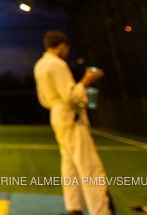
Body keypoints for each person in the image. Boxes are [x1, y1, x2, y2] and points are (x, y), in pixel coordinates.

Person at [33, 31, 112, 215]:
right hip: (70, 116)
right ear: (62, 46)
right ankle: (100, 211)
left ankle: (74, 207)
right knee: (89, 168)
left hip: (57, 115)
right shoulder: (57, 64)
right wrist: (86, 81)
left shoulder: (40, 64)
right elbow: (70, 96)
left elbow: (44, 98)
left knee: (70, 165)